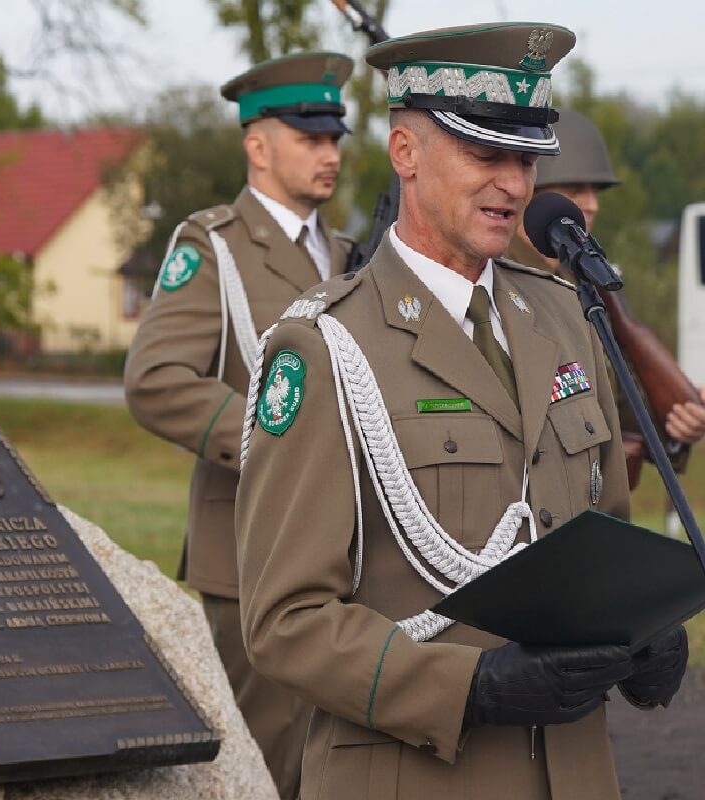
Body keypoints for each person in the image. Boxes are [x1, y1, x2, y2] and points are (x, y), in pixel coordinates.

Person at [236, 23, 688, 799]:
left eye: (525, 159)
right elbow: (285, 621)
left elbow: (602, 540)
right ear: (405, 152)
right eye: (486, 155)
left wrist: (645, 629)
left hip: (576, 772)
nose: (514, 186)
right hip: (418, 775)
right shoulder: (326, 345)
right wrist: (468, 689)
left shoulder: (563, 317)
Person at [123, 51, 354, 799]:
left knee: (338, 757)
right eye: (310, 136)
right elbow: (156, 380)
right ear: (258, 145)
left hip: (347, 549)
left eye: (335, 137)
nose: (331, 152)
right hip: (254, 550)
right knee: (267, 765)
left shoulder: (351, 255)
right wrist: (276, 442)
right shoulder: (213, 246)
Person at [507, 108, 705, 461]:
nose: (593, 205)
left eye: (596, 191)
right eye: (575, 190)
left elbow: (612, 396)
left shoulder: (584, 280)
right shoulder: (497, 278)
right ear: (531, 188)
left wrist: (673, 425)